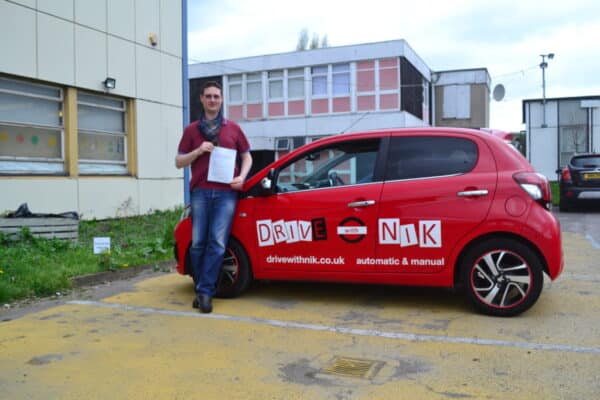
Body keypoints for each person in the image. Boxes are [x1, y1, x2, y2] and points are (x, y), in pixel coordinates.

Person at [175, 81, 252, 313]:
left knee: (217, 243)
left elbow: (247, 157)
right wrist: (198, 151)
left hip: (226, 193)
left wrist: (243, 177)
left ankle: (205, 293)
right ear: (201, 99)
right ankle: (202, 288)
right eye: (208, 96)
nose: (212, 100)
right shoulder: (191, 131)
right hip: (200, 192)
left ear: (221, 100)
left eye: (216, 96)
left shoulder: (233, 129)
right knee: (198, 244)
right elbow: (178, 162)